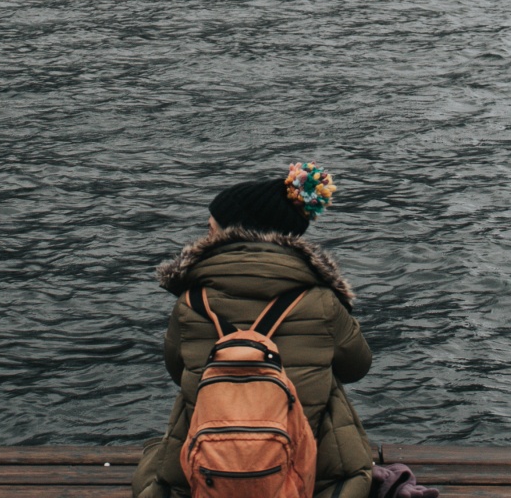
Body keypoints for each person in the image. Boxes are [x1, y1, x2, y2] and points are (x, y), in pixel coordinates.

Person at [133, 163, 374, 498]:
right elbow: (358, 367)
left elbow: (177, 373)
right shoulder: (322, 301)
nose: (204, 238)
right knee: (326, 379)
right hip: (304, 474)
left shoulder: (192, 302)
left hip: (210, 471)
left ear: (230, 236)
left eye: (211, 231)